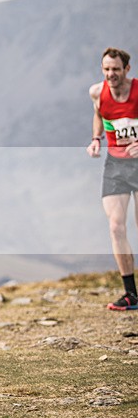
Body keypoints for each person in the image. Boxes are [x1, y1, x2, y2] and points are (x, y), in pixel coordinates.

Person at [87, 47, 138, 311]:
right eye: (106, 69)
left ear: (127, 69)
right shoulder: (97, 92)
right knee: (116, 227)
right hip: (116, 166)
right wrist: (96, 139)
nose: (111, 74)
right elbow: (99, 114)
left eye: (116, 69)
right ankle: (131, 294)